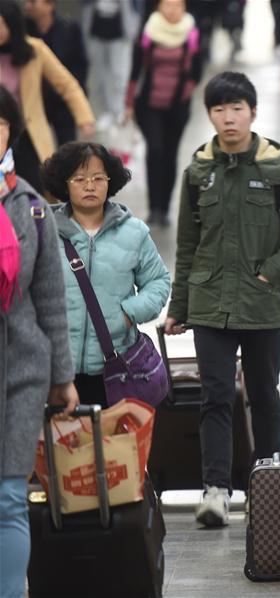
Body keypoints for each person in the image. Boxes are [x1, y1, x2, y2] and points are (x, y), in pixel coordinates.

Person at [164, 71, 280, 528]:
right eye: (219, 110)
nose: (229, 118)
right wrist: (179, 307)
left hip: (261, 303)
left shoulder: (278, 168)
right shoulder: (198, 172)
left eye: (237, 109)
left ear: (253, 112)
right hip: (209, 302)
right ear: (209, 115)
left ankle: (264, 482)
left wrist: (272, 269)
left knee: (264, 395)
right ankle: (215, 490)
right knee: (215, 397)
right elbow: (186, 246)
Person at [0, 83, 78, 598]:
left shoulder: (29, 206)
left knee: (9, 496)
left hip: (21, 370)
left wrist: (62, 377)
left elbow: (51, 297)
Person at [41, 142, 170, 407]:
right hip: (56, 370)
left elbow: (158, 282)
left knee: (112, 435)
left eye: (98, 178)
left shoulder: (134, 233)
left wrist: (128, 314)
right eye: (79, 179)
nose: (90, 186)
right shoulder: (44, 232)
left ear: (110, 182)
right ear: (64, 184)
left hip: (116, 368)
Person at [0, 0, 94, 196]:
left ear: (12, 25)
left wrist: (84, 118)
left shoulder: (35, 49)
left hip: (26, 135)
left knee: (33, 193)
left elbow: (67, 84)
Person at [125, 0, 201, 227]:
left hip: (177, 105)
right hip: (149, 104)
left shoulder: (191, 33)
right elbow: (136, 69)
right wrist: (129, 102)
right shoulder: (149, 31)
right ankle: (153, 208)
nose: (172, 9)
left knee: (170, 154)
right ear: (159, 6)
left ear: (184, 7)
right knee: (155, 150)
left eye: (177, 5)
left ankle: (165, 209)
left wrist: (187, 91)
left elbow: (197, 69)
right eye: (167, 4)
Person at [24, 0, 90, 146]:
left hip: (62, 102)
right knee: (34, 148)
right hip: (35, 103)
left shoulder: (69, 29)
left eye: (33, 2)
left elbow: (81, 66)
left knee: (67, 149)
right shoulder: (24, 31)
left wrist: (81, 109)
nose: (27, 6)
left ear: (50, 4)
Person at [82, 0, 142, 130]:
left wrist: (134, 26)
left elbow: (137, 6)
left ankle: (118, 109)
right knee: (99, 75)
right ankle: (104, 111)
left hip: (121, 28)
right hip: (97, 26)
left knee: (118, 73)